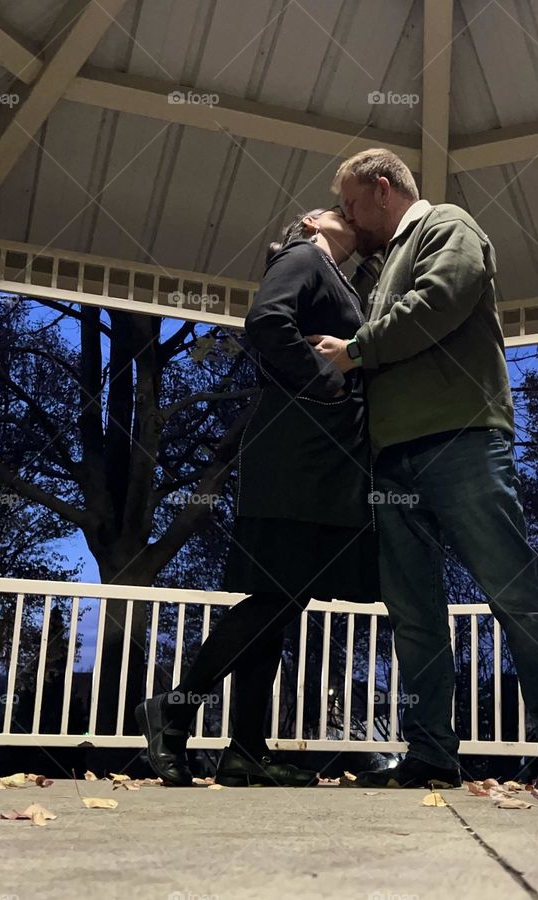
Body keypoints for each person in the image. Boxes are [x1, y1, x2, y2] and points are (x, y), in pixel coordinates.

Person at [308, 149, 538, 791]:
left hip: (462, 438)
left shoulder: (448, 226)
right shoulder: (380, 268)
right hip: (392, 458)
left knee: (515, 592)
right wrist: (335, 238)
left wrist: (356, 350)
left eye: (351, 202)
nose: (348, 213)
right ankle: (431, 751)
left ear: (383, 189)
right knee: (413, 610)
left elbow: (439, 302)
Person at [136, 207, 379, 787]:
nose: (351, 217)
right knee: (284, 592)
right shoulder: (304, 256)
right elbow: (267, 320)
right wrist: (328, 382)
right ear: (311, 222)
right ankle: (175, 708)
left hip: (318, 451)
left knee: (282, 595)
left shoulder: (337, 275)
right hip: (299, 448)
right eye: (340, 210)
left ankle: (245, 749)